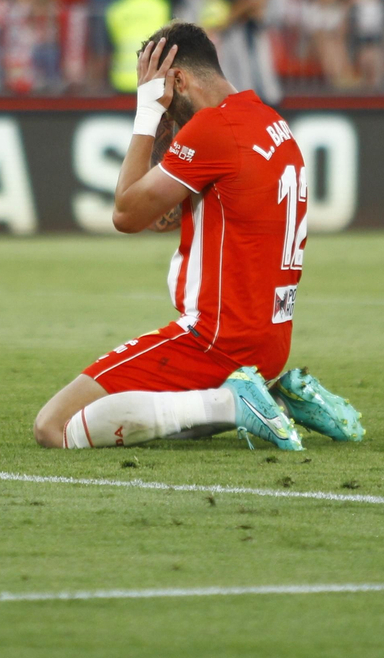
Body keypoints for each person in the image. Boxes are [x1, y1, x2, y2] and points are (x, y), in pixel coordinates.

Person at [33, 22, 363, 450]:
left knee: (53, 426)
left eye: (163, 94)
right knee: (173, 422)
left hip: (214, 340)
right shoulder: (271, 122)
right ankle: (274, 399)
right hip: (270, 343)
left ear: (178, 80)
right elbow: (166, 216)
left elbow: (127, 214)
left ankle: (232, 403)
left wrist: (147, 113)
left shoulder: (214, 130)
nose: (168, 112)